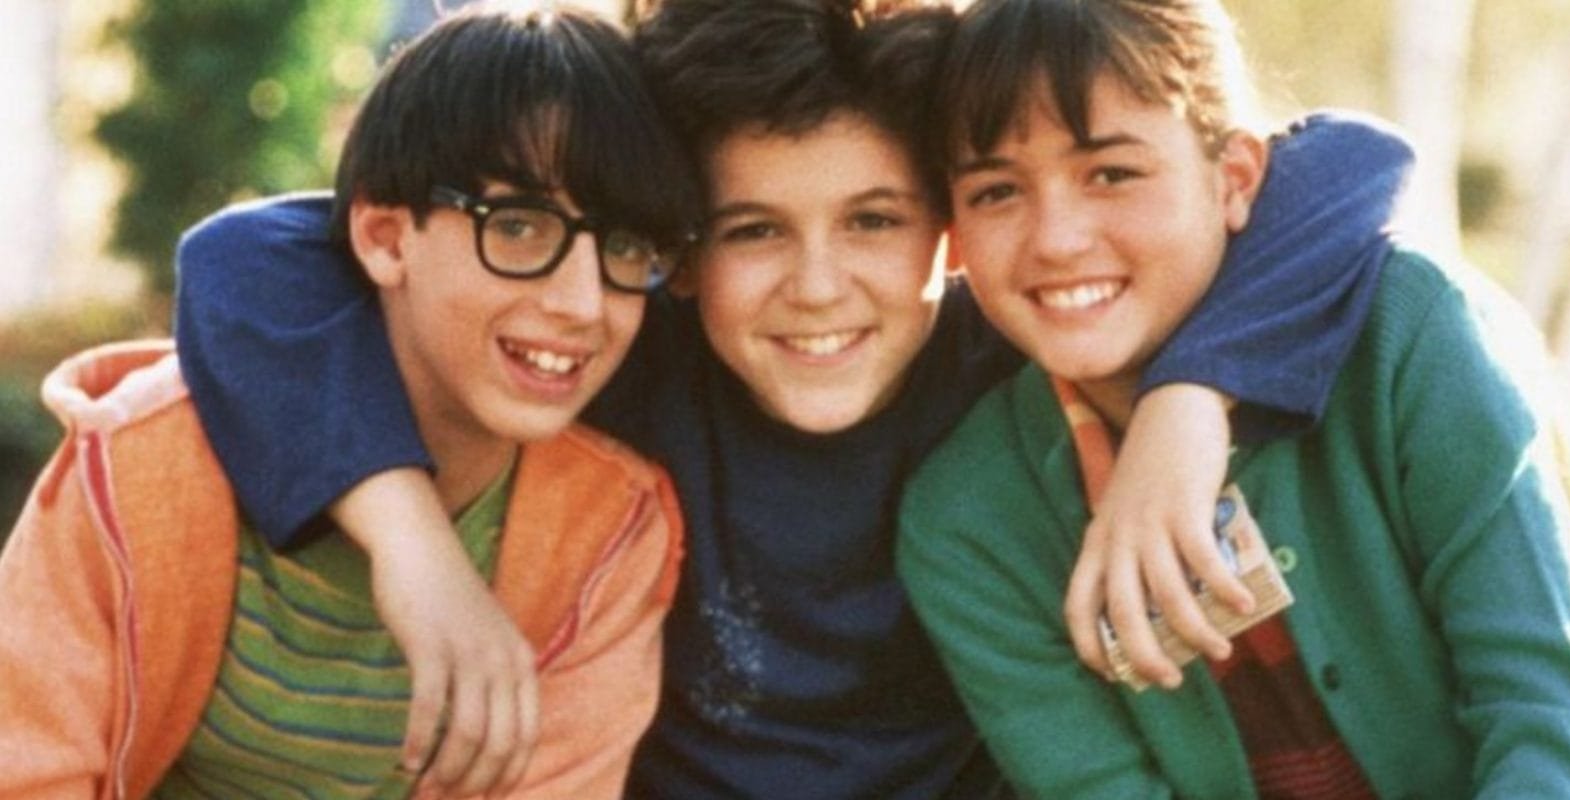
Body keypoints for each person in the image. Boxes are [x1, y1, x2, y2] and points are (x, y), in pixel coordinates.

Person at [166, 1, 1413, 796]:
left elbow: (1353, 162)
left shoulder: (1006, 347)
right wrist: (416, 555)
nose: (818, 287)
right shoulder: (627, 347)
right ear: (679, 246)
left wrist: (1189, 404)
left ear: (949, 224)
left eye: (874, 219)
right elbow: (243, 257)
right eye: (751, 229)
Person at [897, 0, 1570, 796]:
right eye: (996, 191)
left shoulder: (1411, 336)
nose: (1056, 239)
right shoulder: (969, 520)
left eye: (1113, 174)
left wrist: (1190, 393)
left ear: (1234, 178)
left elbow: (1555, 723)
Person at [0, 4, 694, 797]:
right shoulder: (143, 462)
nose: (582, 303)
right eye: (518, 227)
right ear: (386, 238)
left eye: (624, 247)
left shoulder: (609, 536)